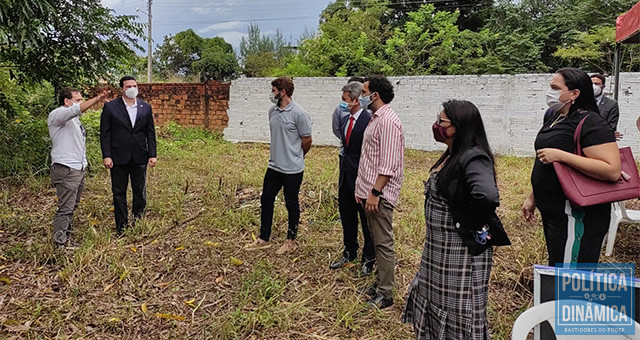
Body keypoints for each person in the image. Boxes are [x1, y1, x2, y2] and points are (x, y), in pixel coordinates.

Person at [402, 100, 510, 340]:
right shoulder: (453, 154)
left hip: (460, 254)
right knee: (434, 300)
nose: (436, 125)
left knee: (460, 313)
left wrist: (466, 220)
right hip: (439, 252)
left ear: (459, 126)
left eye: (442, 121)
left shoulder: (474, 157)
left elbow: (487, 195)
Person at [522, 68, 620, 266]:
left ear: (574, 93)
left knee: (571, 272)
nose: (550, 93)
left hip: (577, 214)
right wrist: (532, 197)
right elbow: (547, 163)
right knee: (558, 265)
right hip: (555, 212)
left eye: (555, 88)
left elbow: (612, 170)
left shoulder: (592, 123)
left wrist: (561, 156)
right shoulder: (555, 117)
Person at [247, 76, 313, 255]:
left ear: (282, 92)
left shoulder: (299, 114)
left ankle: (291, 240)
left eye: (274, 90)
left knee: (291, 203)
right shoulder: (272, 112)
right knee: (266, 199)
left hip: (292, 169)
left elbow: (307, 140)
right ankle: (263, 238)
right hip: (274, 166)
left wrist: (297, 156)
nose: (272, 94)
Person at [354, 75, 404, 309]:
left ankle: (385, 294)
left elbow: (389, 164)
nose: (361, 96)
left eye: (364, 92)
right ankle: (379, 282)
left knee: (383, 242)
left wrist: (374, 192)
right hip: (368, 192)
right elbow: (368, 158)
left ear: (375, 95)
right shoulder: (376, 119)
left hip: (379, 195)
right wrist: (361, 190)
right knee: (375, 239)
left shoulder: (388, 122)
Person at [49, 87, 110, 249]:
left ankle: (65, 238)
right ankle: (59, 244)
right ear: (66, 101)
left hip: (77, 168)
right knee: (65, 208)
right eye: (77, 100)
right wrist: (97, 99)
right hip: (66, 168)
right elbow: (77, 110)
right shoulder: (58, 114)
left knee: (72, 206)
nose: (81, 103)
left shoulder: (74, 120)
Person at [100, 76, 157, 235]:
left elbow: (150, 133)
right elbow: (105, 134)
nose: (132, 88)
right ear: (122, 89)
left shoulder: (145, 107)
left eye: (135, 85)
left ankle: (139, 220)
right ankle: (121, 226)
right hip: (118, 156)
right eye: (128, 86)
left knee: (140, 191)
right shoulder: (111, 107)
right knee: (119, 192)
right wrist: (107, 155)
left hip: (139, 155)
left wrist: (152, 154)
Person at [329, 81, 375, 276]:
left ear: (356, 100)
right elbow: (342, 142)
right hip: (345, 174)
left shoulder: (369, 121)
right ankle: (350, 251)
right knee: (347, 216)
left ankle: (369, 258)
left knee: (366, 220)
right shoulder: (345, 118)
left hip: (362, 178)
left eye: (345, 100)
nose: (342, 103)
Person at [332, 77, 365, 156]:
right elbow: (336, 129)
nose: (343, 103)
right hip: (345, 154)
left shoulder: (368, 115)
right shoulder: (341, 111)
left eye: (345, 99)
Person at [590, 74, 620, 138]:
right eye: (591, 83)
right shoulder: (581, 102)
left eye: (597, 84)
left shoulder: (611, 104)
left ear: (603, 86)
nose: (593, 86)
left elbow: (610, 127)